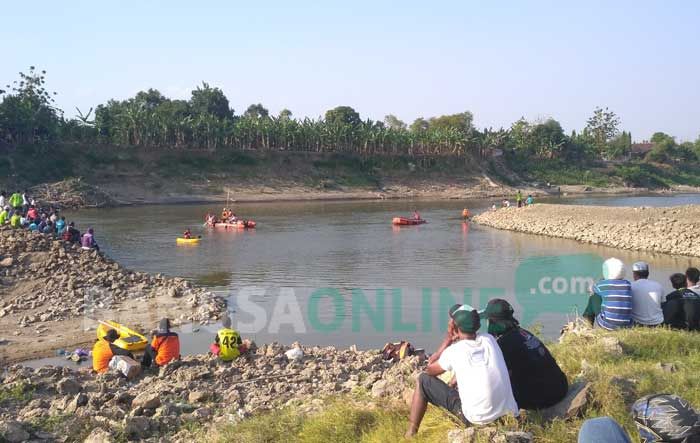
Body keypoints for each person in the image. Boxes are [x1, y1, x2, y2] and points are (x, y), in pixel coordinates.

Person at [405, 306, 518, 437]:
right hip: (508, 417)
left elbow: (429, 370)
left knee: (423, 380)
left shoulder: (455, 351)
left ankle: (411, 433)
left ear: (455, 328)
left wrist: (448, 339)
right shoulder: (489, 340)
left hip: (476, 420)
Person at [480, 299, 568, 409]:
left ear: (492, 322)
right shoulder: (523, 333)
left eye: (488, 320)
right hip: (560, 387)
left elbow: (499, 378)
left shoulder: (504, 343)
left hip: (544, 399)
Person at [582, 257, 633, 330]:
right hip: (627, 325)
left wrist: (598, 282)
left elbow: (590, 289)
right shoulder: (627, 284)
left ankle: (587, 325)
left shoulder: (602, 284)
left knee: (593, 297)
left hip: (608, 325)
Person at [630, 261, 664, 327]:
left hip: (638, 323)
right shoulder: (658, 285)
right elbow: (662, 304)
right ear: (648, 273)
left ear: (634, 274)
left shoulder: (631, 286)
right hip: (658, 322)